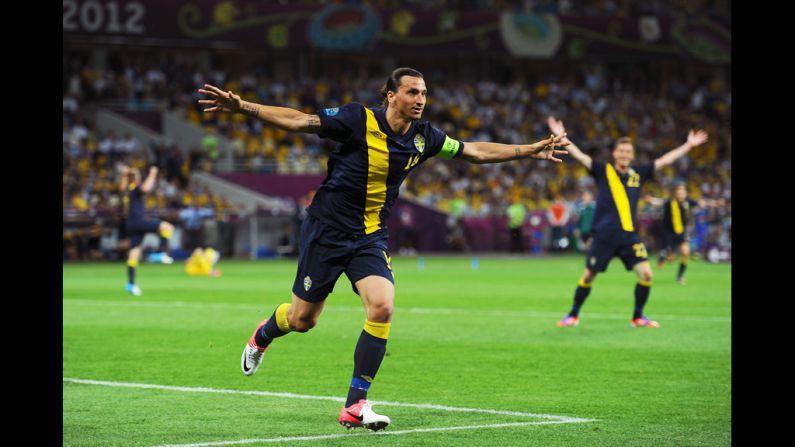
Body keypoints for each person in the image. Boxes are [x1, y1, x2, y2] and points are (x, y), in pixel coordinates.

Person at [198, 67, 568, 431]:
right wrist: (244, 107)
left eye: (424, 93)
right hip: (326, 231)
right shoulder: (357, 119)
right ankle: (263, 335)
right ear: (391, 95)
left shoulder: (425, 138)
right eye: (412, 92)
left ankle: (355, 404)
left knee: (383, 305)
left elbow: (473, 152)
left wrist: (526, 151)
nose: (420, 99)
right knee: (302, 321)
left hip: (369, 236)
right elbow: (300, 121)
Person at [546, 116, 708, 328]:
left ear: (632, 156)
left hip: (628, 235)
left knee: (646, 274)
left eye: (628, 152)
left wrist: (689, 145)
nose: (624, 154)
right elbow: (580, 157)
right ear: (615, 153)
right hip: (604, 234)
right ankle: (573, 315)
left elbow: (666, 160)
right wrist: (561, 136)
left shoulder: (638, 174)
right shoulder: (603, 170)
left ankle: (638, 317)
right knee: (588, 276)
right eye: (621, 151)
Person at [645, 183, 724, 284]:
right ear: (675, 193)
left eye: (683, 191)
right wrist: (651, 200)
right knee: (669, 256)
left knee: (686, 252)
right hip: (668, 233)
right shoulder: (670, 202)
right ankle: (664, 255)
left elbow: (703, 203)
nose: (681, 193)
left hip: (681, 232)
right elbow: (659, 202)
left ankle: (680, 276)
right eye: (679, 192)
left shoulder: (688, 201)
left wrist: (716, 203)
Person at [119, 165, 175, 296]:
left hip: (130, 224)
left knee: (134, 254)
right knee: (167, 227)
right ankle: (160, 253)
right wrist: (153, 173)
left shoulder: (126, 190)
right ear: (136, 178)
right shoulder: (134, 188)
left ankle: (131, 284)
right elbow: (145, 188)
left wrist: (124, 175)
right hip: (138, 222)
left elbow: (121, 188)